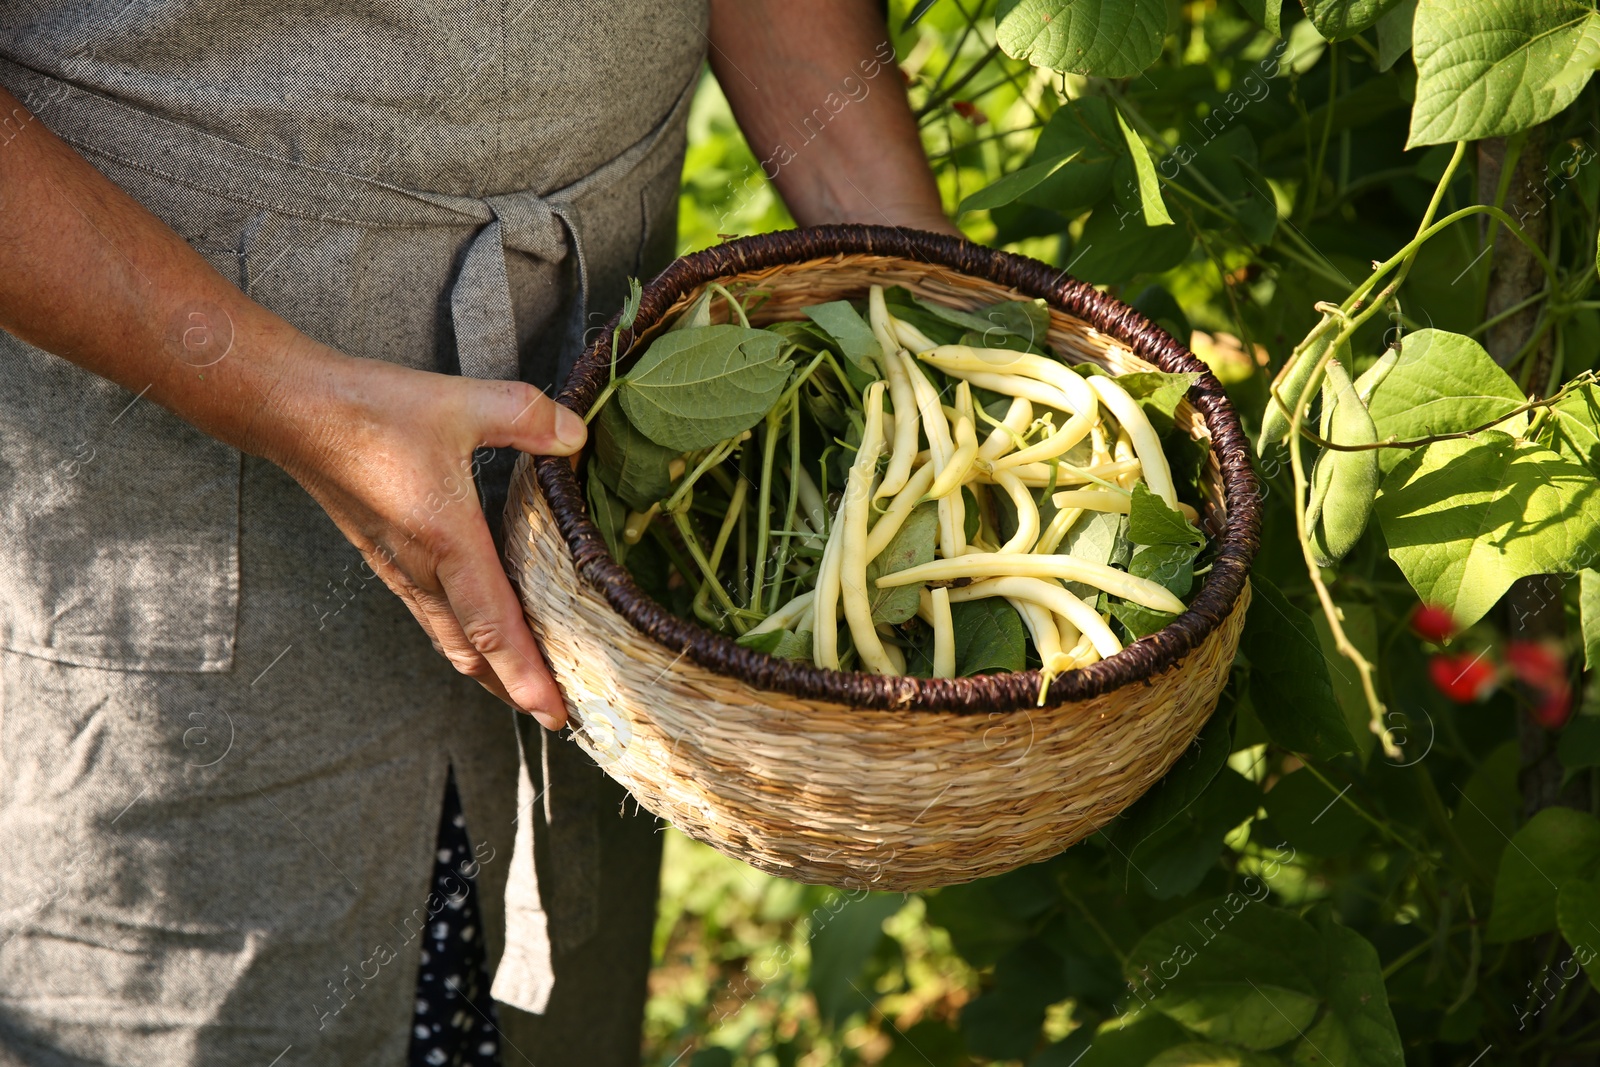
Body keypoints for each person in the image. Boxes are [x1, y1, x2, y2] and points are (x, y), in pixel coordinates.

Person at [0, 1, 954, 1064]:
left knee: (555, 1011)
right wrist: (284, 397)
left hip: (589, 397)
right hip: (166, 499)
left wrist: (926, 307)